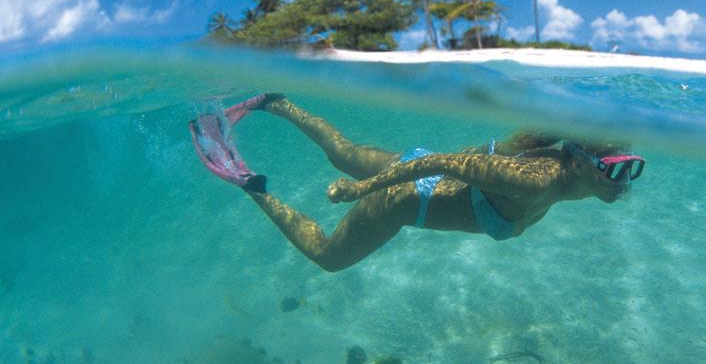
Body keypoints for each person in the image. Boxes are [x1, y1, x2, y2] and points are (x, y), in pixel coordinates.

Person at [190, 93, 645, 272]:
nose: (622, 183)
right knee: (329, 257)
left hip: (418, 172)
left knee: (342, 153)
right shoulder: (535, 180)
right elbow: (445, 164)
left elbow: (444, 165)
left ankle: (275, 102)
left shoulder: (563, 170)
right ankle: (253, 186)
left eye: (631, 168)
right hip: (405, 196)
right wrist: (364, 191)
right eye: (615, 169)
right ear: (582, 162)